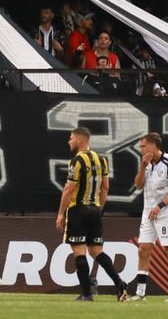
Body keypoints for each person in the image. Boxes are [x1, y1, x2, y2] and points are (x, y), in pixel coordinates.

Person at [56, 127, 127, 301]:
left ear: (80, 140)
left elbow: (69, 188)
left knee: (79, 252)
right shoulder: (102, 159)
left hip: (78, 210)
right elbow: (106, 187)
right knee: (97, 251)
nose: (69, 141)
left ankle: (87, 293)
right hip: (95, 210)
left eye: (71, 138)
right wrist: (98, 208)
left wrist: (60, 214)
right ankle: (119, 284)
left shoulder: (76, 160)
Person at [130, 133, 168, 303]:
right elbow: (138, 185)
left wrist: (160, 206)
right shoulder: (146, 163)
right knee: (143, 249)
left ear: (154, 146)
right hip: (148, 213)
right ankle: (140, 293)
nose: (141, 148)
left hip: (165, 214)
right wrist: (142, 166)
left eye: (143, 145)